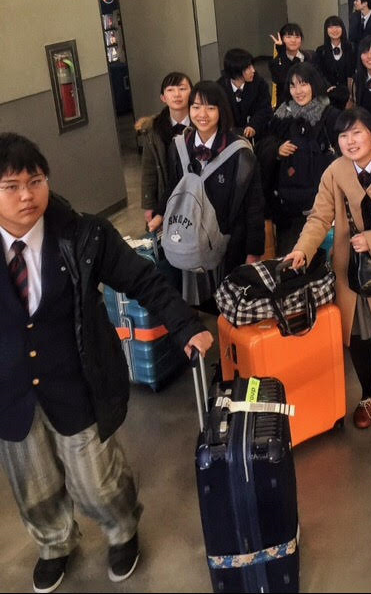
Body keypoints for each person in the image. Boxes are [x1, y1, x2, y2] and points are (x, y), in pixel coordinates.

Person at [0, 132, 213, 594]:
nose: (25, 196)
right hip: (11, 389)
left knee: (96, 479)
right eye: (10, 186)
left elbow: (141, 279)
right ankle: (54, 543)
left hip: (77, 379)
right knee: (33, 484)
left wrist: (184, 325)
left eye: (34, 181)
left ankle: (121, 530)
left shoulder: (82, 235)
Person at [284, 107, 371, 429]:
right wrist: (302, 250)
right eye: (343, 135)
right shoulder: (335, 172)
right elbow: (319, 217)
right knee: (358, 334)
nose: (350, 141)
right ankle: (368, 395)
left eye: (357, 133)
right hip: (351, 269)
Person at [151, 81, 265, 305]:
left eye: (210, 107)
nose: (202, 114)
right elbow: (174, 186)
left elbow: (254, 205)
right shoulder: (180, 146)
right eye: (196, 107)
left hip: (230, 242)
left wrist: (254, 251)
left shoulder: (239, 152)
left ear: (221, 110)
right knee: (192, 301)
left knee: (230, 304)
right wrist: (159, 214)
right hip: (190, 236)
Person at [266, 62, 340, 255]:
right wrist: (276, 149)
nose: (298, 91)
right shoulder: (281, 115)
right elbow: (265, 144)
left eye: (303, 84)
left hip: (322, 204)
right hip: (288, 207)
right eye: (292, 85)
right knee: (289, 260)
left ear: (314, 84)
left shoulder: (329, 115)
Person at [135, 71, 192, 229]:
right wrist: (149, 205)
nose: (177, 94)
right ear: (163, 98)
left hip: (195, 194)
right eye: (170, 90)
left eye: (182, 88)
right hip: (165, 194)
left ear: (192, 93)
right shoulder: (153, 129)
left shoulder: (200, 124)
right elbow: (149, 170)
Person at [216, 48, 272, 141]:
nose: (253, 70)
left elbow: (265, 109)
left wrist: (253, 125)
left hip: (256, 135)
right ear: (236, 71)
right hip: (228, 137)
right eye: (248, 68)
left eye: (252, 66)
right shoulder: (219, 88)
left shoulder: (259, 84)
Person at [312, 15, 356, 110]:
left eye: (337, 26)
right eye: (330, 27)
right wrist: (327, 86)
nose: (334, 30)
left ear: (342, 28)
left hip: (349, 96)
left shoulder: (351, 48)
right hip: (329, 96)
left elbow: (355, 71)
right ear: (326, 30)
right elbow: (318, 73)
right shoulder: (321, 51)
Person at [268, 23, 314, 108]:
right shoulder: (275, 62)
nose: (293, 40)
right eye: (288, 37)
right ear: (282, 39)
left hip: (308, 104)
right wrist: (281, 52)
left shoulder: (309, 57)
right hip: (285, 106)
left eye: (297, 37)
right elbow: (284, 80)